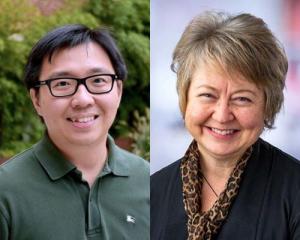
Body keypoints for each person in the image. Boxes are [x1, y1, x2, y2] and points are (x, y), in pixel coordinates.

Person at [151, 11, 300, 240]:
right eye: (208, 95)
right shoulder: (152, 191)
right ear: (185, 97)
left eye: (242, 98)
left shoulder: (294, 190)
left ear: (268, 105)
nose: (222, 115)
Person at [0, 24, 149, 240]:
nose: (83, 100)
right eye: (62, 83)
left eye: (98, 80)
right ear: (36, 100)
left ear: (118, 90)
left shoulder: (150, 182)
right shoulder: (6, 192)